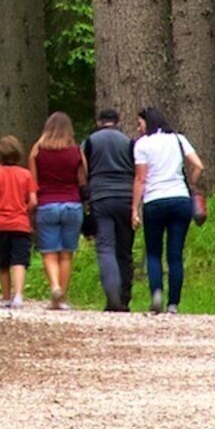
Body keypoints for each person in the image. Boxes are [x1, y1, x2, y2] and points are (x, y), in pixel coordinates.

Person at [132, 105, 209, 312]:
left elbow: (141, 179)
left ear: (148, 123)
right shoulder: (178, 139)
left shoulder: (142, 144)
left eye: (139, 123)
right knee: (175, 254)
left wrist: (134, 209)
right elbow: (198, 166)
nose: (138, 128)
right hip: (180, 199)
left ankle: (156, 292)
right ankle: (173, 303)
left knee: (153, 252)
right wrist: (191, 183)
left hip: (154, 200)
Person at [81, 107, 141, 312]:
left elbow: (83, 169)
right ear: (117, 121)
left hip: (101, 198)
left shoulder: (90, 142)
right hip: (125, 198)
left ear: (99, 122)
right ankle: (124, 298)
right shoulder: (129, 142)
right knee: (124, 250)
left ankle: (112, 294)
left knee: (106, 247)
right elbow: (136, 170)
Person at [29, 112, 86, 309]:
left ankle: (55, 287)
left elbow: (33, 182)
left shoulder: (37, 151)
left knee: (49, 252)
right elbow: (82, 179)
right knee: (66, 254)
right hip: (72, 204)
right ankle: (62, 298)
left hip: (47, 204)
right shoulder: (76, 151)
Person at [0, 135, 39, 309]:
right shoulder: (26, 175)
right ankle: (19, 296)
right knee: (19, 261)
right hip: (20, 223)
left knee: (3, 263)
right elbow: (33, 201)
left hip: (0, 224)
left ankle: (6, 297)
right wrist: (25, 211)